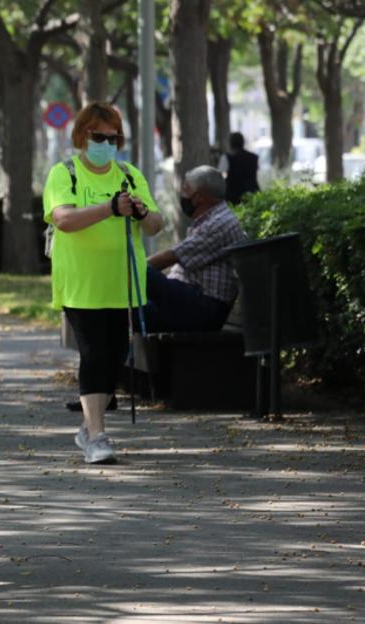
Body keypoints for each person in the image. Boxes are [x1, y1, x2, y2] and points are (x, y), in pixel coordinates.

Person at [43, 102, 164, 465]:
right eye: (99, 137)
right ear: (82, 136)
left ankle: (86, 426)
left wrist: (142, 212)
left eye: (114, 138)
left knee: (115, 357)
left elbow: (156, 225)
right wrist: (109, 209)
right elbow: (64, 219)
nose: (107, 144)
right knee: (94, 354)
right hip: (81, 283)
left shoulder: (129, 174)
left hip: (122, 283)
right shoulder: (64, 173)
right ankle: (97, 435)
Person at [145, 166, 248, 332]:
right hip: (195, 303)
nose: (182, 194)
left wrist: (135, 271)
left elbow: (170, 257)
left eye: (186, 189)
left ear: (199, 197)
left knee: (141, 273)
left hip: (205, 308)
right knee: (128, 312)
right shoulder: (212, 218)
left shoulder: (219, 223)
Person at [219, 132, 260, 205]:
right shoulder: (253, 157)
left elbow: (222, 175)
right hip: (252, 193)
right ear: (243, 142)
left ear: (230, 143)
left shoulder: (227, 157)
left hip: (232, 195)